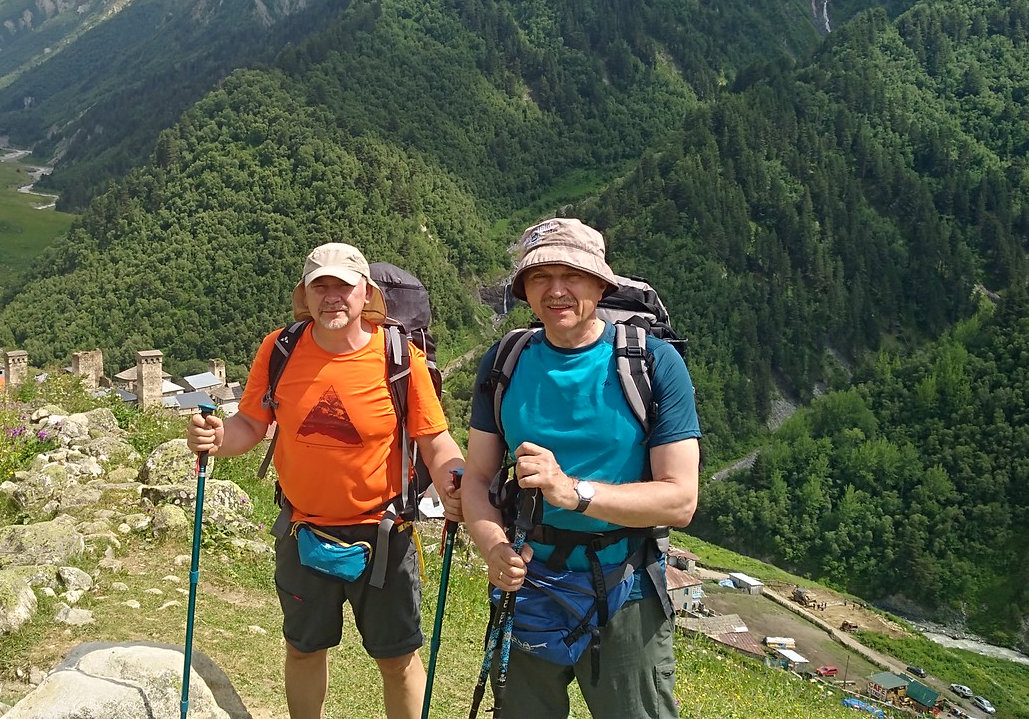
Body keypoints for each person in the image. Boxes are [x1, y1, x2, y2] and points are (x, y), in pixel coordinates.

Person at [187, 242, 465, 719]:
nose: (332, 296)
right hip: (302, 530)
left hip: (384, 531)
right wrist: (216, 437)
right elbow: (251, 427)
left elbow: (434, 440)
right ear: (306, 295)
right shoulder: (280, 350)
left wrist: (455, 481)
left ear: (365, 294)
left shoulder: (399, 357)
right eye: (321, 286)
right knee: (303, 649)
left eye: (344, 285)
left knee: (397, 660)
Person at [463, 218, 701, 718]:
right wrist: (492, 547)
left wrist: (574, 492)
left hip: (625, 585)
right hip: (526, 581)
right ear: (525, 289)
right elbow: (479, 477)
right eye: (539, 276)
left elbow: (680, 499)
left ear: (600, 283)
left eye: (571, 274)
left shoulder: (652, 364)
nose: (556, 290)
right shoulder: (504, 360)